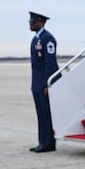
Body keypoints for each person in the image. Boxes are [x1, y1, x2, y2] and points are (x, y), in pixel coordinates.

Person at [28, 12, 58, 153]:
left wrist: (48, 84)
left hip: (43, 84)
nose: (31, 24)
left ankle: (49, 143)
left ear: (41, 22)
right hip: (36, 83)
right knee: (40, 114)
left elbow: (50, 64)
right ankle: (42, 141)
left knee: (46, 113)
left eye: (33, 22)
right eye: (30, 21)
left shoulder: (47, 39)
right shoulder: (36, 40)